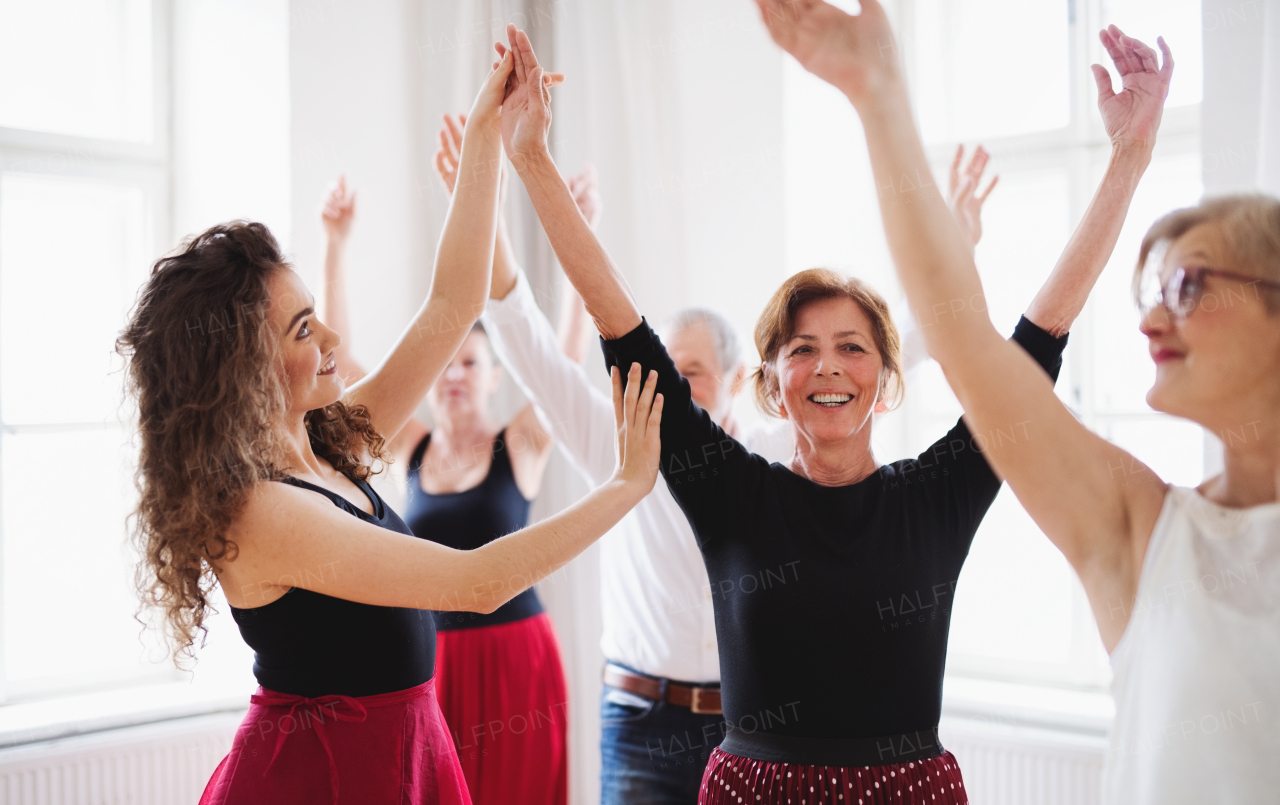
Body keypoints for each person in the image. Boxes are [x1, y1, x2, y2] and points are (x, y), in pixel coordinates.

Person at [491, 20, 1162, 803]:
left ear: (884, 379)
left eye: (852, 347)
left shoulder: (936, 496)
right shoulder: (734, 494)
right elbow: (622, 328)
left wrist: (1128, 160)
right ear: (773, 383)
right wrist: (530, 159)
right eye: (803, 348)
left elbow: (1039, 336)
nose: (829, 365)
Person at [756, 1, 1280, 803]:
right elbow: (978, 344)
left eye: (1187, 284)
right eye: (1151, 289)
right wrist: (878, 94)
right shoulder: (1148, 529)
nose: (1146, 317)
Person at [116, 46, 665, 805]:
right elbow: (478, 582)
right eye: (305, 330)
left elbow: (452, 303)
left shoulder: (327, 440)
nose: (334, 342)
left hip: (399, 750)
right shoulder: (260, 510)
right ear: (244, 369)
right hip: (326, 778)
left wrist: (486, 137)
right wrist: (627, 483)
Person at [432, 103, 996, 803]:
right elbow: (531, 337)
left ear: (738, 382)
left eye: (690, 371)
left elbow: (877, 353)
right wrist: (492, 194)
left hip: (751, 732)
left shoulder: (772, 456)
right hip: (641, 718)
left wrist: (959, 247)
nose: (669, 383)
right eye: (666, 367)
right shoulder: (616, 432)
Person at [312, 149, 602, 805]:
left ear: (497, 377)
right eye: (448, 364)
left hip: (515, 659)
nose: (455, 375)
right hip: (433, 660)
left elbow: (567, 351)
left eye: (472, 363)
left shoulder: (521, 443)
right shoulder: (410, 447)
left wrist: (582, 226)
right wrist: (334, 245)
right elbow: (343, 371)